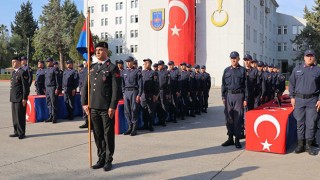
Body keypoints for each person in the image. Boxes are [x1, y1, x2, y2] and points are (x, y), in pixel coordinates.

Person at [82, 42, 121, 171]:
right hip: (93, 107)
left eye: (100, 50)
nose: (97, 52)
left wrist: (112, 106)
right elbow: (85, 86)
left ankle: (108, 160)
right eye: (96, 50)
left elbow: (116, 90)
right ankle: (101, 158)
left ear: (106, 51)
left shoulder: (112, 68)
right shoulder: (92, 68)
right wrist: (84, 103)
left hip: (106, 108)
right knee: (98, 135)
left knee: (107, 135)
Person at [289, 49, 320, 156]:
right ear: (304, 57)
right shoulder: (297, 69)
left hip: (312, 100)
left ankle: (308, 145)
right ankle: (300, 144)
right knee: (300, 123)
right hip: (299, 100)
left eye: (311, 56)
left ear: (314, 57)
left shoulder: (318, 70)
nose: (309, 58)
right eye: (307, 56)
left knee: (311, 124)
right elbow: (292, 84)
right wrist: (292, 97)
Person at [221, 51, 247, 149]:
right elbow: (223, 84)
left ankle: (237, 140)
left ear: (238, 59)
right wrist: (223, 96)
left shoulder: (243, 70)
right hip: (228, 96)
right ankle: (230, 138)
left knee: (238, 118)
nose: (233, 60)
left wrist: (246, 98)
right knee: (229, 117)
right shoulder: (227, 70)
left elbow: (246, 86)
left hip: (239, 96)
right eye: (232, 58)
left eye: (235, 58)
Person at [9, 57, 30, 139]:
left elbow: (25, 87)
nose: (13, 63)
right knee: (14, 116)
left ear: (18, 62)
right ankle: (16, 131)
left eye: (14, 62)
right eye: (12, 62)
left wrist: (24, 98)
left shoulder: (22, 72)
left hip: (20, 98)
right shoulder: (14, 73)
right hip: (13, 97)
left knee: (20, 116)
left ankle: (21, 133)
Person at [122, 56, 143, 136]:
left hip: (134, 91)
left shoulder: (137, 72)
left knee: (134, 109)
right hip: (126, 92)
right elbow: (122, 84)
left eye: (129, 61)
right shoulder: (124, 71)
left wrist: (139, 95)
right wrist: (123, 92)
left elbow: (140, 84)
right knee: (127, 110)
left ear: (132, 62)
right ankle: (130, 127)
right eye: (127, 62)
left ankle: (134, 128)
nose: (128, 63)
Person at [140, 58, 159, 131]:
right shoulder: (142, 72)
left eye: (146, 63)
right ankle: (145, 124)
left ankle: (150, 125)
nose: (144, 64)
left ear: (149, 64)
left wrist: (155, 94)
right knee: (144, 110)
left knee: (150, 110)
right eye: (144, 63)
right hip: (143, 94)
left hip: (151, 94)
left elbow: (156, 84)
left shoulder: (154, 73)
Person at [44, 58, 62, 123]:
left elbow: (57, 80)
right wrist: (45, 88)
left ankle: (54, 117)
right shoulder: (46, 70)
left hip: (53, 87)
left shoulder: (55, 69)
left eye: (48, 62)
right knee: (49, 103)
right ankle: (50, 116)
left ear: (51, 62)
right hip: (47, 88)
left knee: (54, 103)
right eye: (47, 62)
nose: (47, 63)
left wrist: (57, 88)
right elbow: (45, 79)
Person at [156, 60, 170, 126]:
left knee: (164, 106)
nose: (159, 66)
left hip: (164, 91)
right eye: (158, 65)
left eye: (160, 64)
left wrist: (167, 93)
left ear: (163, 65)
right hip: (157, 91)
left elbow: (169, 84)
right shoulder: (156, 73)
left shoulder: (166, 72)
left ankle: (164, 120)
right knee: (158, 106)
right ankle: (159, 119)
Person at [78, 62, 89, 128]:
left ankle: (91, 123)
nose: (86, 63)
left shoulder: (93, 69)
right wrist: (80, 89)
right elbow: (80, 81)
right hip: (84, 90)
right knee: (84, 106)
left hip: (91, 90)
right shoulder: (83, 71)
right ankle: (86, 122)